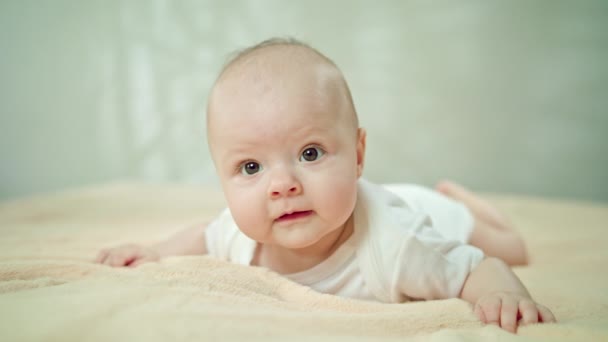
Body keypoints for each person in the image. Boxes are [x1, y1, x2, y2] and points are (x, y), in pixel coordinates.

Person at [96, 38, 555, 333]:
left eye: (309, 153)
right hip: (389, 195)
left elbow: (481, 269)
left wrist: (506, 292)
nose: (282, 185)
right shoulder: (242, 236)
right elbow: (203, 234)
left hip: (432, 212)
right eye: (251, 167)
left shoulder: (400, 246)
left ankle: (465, 200)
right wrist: (155, 251)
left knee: (514, 249)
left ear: (357, 156)